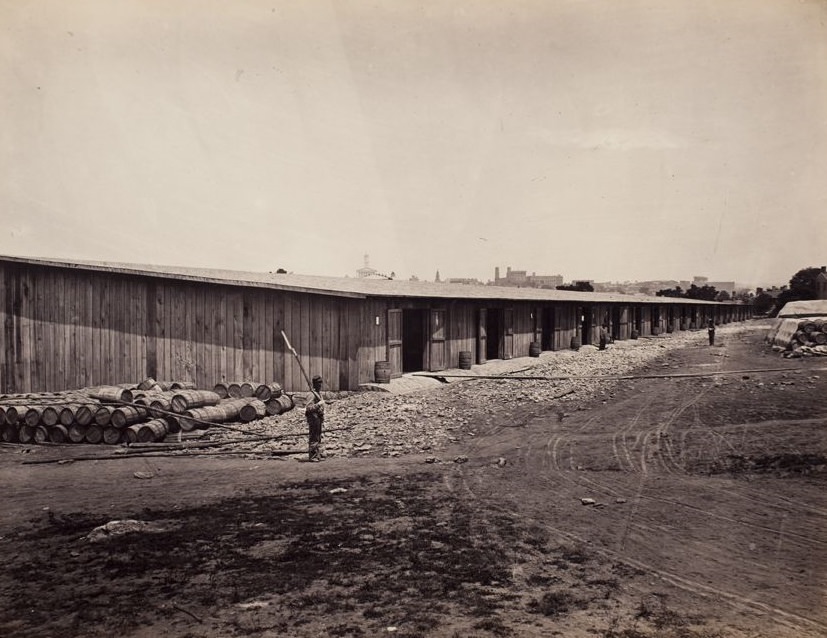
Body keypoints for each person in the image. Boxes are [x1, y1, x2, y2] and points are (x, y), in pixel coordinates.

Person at [305, 375, 325, 462]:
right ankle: (312, 456)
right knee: (314, 437)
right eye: (318, 383)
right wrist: (318, 405)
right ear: (315, 384)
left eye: (321, 382)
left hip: (318, 417)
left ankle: (317, 454)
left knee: (318, 437)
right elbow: (308, 408)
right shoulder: (311, 395)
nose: (320, 385)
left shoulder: (318, 393)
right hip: (313, 418)